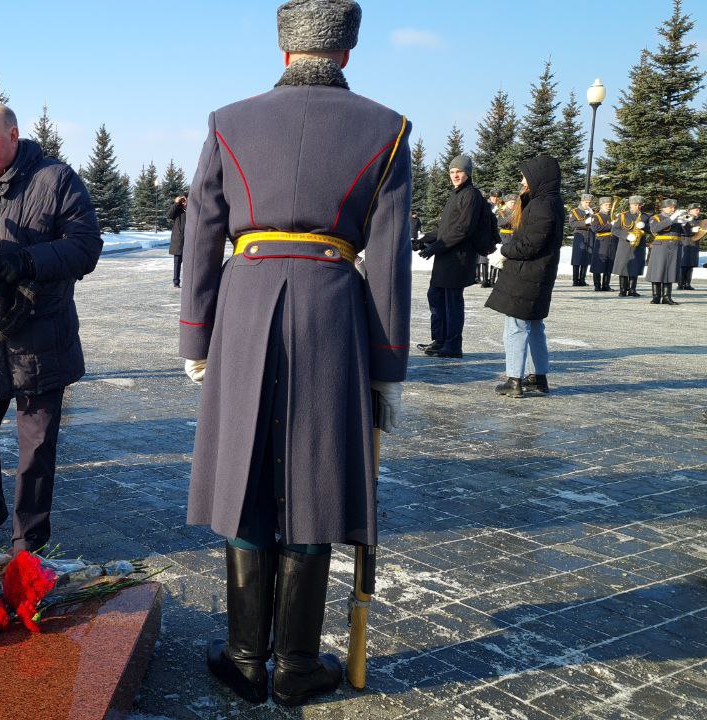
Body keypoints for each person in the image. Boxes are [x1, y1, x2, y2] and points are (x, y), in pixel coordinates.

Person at [179, 0, 410, 706]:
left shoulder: (228, 121)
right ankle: (297, 665)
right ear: (345, 52)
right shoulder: (388, 129)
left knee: (246, 475)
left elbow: (202, 234)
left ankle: (248, 657)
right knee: (313, 481)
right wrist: (388, 365)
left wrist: (197, 334)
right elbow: (392, 258)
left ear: (285, 51)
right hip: (333, 310)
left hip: (244, 307)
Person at [0, 101, 101, 554]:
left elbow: (86, 246)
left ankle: (28, 541)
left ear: (13, 135)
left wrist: (26, 261)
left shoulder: (55, 179)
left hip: (39, 339)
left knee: (35, 448)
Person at [486, 156, 563, 398]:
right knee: (534, 325)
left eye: (525, 176)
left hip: (528, 274)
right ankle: (538, 377)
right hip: (537, 274)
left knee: (516, 326)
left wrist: (505, 251)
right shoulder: (549, 202)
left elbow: (531, 244)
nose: (522, 181)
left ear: (539, 177)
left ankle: (514, 379)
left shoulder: (542, 204)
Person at [416, 154, 480, 358]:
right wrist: (424, 239)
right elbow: (446, 228)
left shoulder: (471, 195)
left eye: (459, 172)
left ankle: (453, 345)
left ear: (467, 173)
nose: (455, 175)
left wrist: (434, 248)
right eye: (452, 172)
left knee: (452, 302)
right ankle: (440, 340)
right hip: (446, 256)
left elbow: (463, 229)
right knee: (435, 296)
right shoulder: (456, 194)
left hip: (458, 258)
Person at [647, 199, 685, 305]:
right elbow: (655, 229)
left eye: (674, 207)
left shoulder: (678, 219)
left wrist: (685, 224)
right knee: (657, 271)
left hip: (674, 247)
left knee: (670, 271)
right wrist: (672, 219)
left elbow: (686, 234)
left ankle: (667, 297)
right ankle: (656, 297)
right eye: (670, 207)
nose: (673, 209)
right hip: (661, 246)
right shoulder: (655, 218)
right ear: (663, 208)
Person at [612, 196, 648, 298]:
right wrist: (626, 236)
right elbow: (615, 230)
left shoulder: (645, 216)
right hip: (625, 245)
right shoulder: (623, 216)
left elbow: (652, 230)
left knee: (635, 267)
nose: (638, 207)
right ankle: (622, 290)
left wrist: (644, 226)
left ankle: (633, 289)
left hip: (639, 245)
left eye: (639, 205)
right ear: (631, 205)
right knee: (623, 267)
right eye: (635, 205)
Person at [587, 197, 617, 291]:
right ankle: (597, 285)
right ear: (601, 206)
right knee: (598, 264)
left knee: (609, 263)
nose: (609, 207)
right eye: (606, 205)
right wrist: (610, 225)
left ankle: (606, 285)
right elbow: (595, 228)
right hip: (602, 241)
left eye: (609, 205)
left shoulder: (613, 216)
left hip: (612, 242)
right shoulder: (596, 216)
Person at [568, 194, 596, 287]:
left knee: (586, 257)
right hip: (580, 235)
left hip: (590, 235)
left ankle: (582, 280)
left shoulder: (591, 212)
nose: (588, 204)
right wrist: (585, 222)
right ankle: (575, 280)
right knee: (577, 257)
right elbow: (572, 223)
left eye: (589, 203)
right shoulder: (575, 211)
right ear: (581, 202)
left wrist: (593, 215)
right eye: (586, 202)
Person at [477, 190, 501, 288]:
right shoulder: (486, 205)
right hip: (486, 232)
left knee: (495, 255)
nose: (495, 199)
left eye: (497, 197)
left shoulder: (501, 205)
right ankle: (484, 280)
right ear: (490, 197)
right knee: (484, 256)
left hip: (497, 233)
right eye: (493, 197)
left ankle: (492, 280)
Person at [678, 202, 700, 290]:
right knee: (683, 264)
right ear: (690, 210)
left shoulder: (697, 220)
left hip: (694, 243)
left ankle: (687, 283)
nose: (698, 211)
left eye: (698, 210)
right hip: (685, 242)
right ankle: (681, 283)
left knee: (691, 264)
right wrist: (692, 230)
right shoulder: (685, 218)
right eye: (696, 210)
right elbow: (681, 230)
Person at [168, 195, 187, 287]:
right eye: (182, 201)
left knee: (189, 263)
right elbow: (169, 215)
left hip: (189, 241)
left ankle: (188, 283)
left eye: (185, 200)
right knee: (177, 263)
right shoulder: (177, 210)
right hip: (179, 241)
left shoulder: (193, 210)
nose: (184, 202)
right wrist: (176, 203)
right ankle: (176, 282)